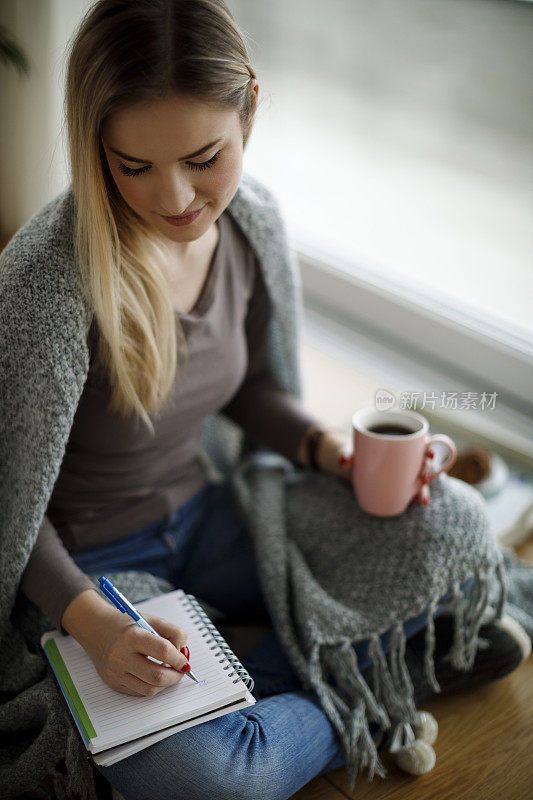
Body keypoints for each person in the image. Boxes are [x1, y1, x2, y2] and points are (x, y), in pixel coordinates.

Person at [2, 1, 528, 799]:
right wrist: (94, 624)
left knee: (450, 523)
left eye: (203, 156)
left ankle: (286, 685)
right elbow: (10, 503)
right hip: (90, 569)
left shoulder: (252, 227)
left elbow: (253, 387)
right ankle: (386, 674)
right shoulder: (46, 280)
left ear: (248, 105)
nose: (174, 197)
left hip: (216, 516)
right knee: (212, 780)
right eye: (132, 165)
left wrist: (331, 454)